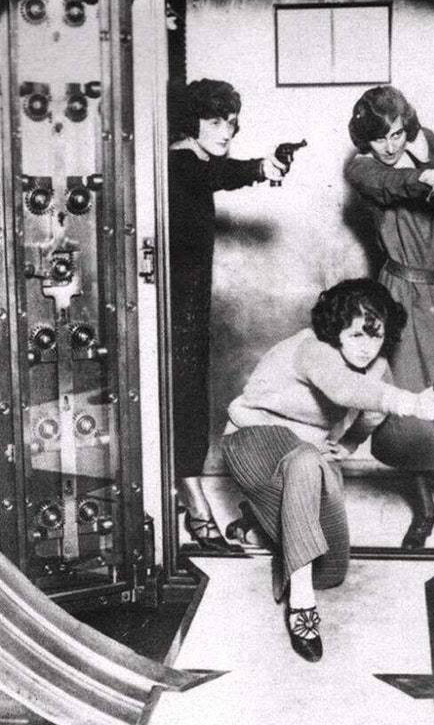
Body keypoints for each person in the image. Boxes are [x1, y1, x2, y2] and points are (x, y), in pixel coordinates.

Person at [219, 278, 434, 662]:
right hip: (254, 439)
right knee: (307, 462)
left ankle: (263, 519)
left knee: (331, 571)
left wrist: (347, 445)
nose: (366, 346)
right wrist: (410, 403)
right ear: (336, 328)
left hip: (308, 457)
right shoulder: (313, 348)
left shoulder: (376, 368)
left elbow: (371, 413)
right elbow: (344, 390)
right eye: (356, 334)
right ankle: (302, 608)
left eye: (376, 336)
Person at [345, 85, 434, 550]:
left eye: (397, 134)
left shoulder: (427, 143)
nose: (390, 145)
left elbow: (433, 155)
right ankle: (423, 510)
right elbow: (394, 183)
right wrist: (433, 178)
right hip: (404, 295)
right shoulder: (361, 169)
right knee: (410, 407)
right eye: (379, 139)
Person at [168, 78, 287, 551]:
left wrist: (260, 166)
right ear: (190, 122)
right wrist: (260, 167)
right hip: (173, 307)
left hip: (189, 303)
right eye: (215, 122)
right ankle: (195, 506)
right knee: (184, 400)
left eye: (231, 124)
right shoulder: (180, 161)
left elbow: (215, 171)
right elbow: (211, 175)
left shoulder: (194, 160)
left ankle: (186, 490)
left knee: (188, 398)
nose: (225, 132)